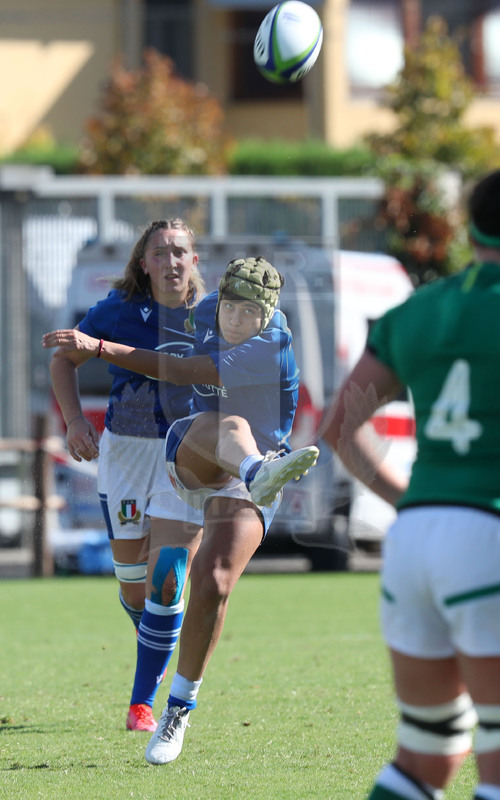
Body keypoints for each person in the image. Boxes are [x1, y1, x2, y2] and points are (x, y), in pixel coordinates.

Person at [43, 255, 319, 765]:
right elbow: (163, 310)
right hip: (191, 453)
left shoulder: (273, 343)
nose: (236, 321)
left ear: (269, 314)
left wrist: (101, 349)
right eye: (231, 308)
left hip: (249, 472)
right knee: (161, 578)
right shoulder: (206, 308)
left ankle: (177, 709)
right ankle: (259, 472)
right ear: (221, 298)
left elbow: (187, 369)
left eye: (249, 314)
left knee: (212, 582)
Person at [322, 169, 500, 800]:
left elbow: (340, 426)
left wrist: (410, 500)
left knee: (425, 757)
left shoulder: (418, 309)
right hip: (490, 542)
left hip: (417, 540)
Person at [47, 219, 205, 733]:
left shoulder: (213, 317)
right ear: (144, 264)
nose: (171, 261)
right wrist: (73, 421)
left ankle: (143, 703)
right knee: (135, 587)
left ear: (194, 260)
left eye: (180, 251)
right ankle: (156, 638)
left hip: (187, 455)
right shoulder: (118, 311)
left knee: (168, 579)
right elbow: (62, 361)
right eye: (159, 253)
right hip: (125, 456)